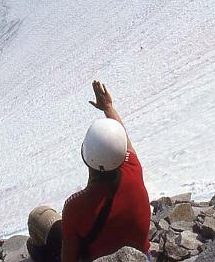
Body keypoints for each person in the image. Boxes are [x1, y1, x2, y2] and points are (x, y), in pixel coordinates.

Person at [26, 81, 151, 261]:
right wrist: (108, 107)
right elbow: (122, 140)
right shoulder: (133, 169)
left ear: (87, 156)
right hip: (141, 257)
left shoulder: (75, 207)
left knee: (38, 217)